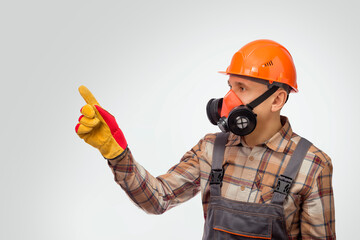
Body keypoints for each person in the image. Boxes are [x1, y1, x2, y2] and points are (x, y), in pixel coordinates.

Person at [75, 39, 336, 239]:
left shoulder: (312, 165)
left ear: (277, 99)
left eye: (242, 88)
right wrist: (117, 154)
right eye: (230, 87)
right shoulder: (212, 149)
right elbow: (158, 199)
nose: (229, 101)